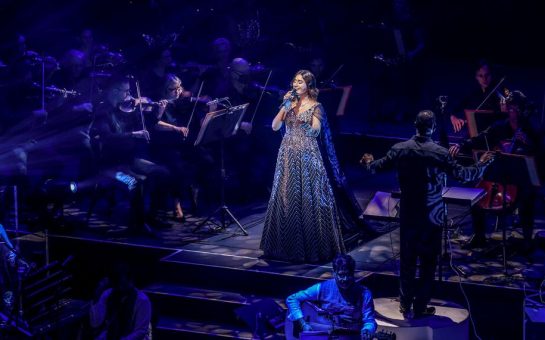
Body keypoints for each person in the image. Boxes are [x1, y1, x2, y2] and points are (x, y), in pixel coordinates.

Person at [361, 110, 494, 318]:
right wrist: (483, 163)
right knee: (428, 262)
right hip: (433, 215)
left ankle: (405, 304)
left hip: (408, 212)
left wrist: (368, 160)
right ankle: (421, 306)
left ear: (415, 125)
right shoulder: (440, 153)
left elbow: (374, 168)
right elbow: (465, 175)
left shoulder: (400, 149)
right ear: (432, 128)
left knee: (407, 260)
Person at [260, 70, 344, 263]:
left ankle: (312, 246)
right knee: (286, 196)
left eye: (300, 82)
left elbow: (315, 131)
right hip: (287, 153)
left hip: (307, 154)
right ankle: (285, 247)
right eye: (294, 81)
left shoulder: (316, 106)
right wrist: (286, 106)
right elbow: (274, 127)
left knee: (307, 196)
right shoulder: (289, 104)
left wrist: (301, 119)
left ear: (308, 85)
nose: (296, 85)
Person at [449, 90, 544, 252]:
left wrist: (530, 144)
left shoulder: (532, 130)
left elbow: (541, 154)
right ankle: (479, 236)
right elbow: (480, 138)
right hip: (500, 176)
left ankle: (527, 240)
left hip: (522, 179)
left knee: (527, 197)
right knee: (477, 194)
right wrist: (461, 145)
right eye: (510, 108)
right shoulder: (500, 127)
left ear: (521, 109)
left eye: (516, 108)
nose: (513, 112)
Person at [286, 254, 377, 339]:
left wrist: (368, 330)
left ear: (353, 273)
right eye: (341, 275)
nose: (345, 279)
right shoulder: (323, 288)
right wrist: (302, 324)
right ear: (334, 273)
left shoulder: (364, 293)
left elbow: (369, 321)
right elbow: (292, 299)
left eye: (348, 274)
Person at [89, 262, 152, 340]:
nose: (119, 285)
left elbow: (140, 331)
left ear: (130, 280)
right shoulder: (108, 294)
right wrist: (97, 295)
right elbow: (95, 323)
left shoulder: (142, 300)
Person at [450, 60, 506, 133]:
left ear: (491, 75)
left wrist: (504, 108)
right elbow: (455, 107)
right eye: (480, 76)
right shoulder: (472, 93)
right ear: (476, 77)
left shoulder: (499, 94)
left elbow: (505, 119)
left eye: (487, 75)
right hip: (474, 135)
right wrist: (453, 117)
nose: (484, 79)